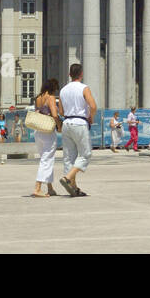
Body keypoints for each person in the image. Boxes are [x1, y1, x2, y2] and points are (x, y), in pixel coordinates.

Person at [58, 63, 97, 197]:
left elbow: (61, 112)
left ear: (69, 75)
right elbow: (93, 106)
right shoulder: (84, 88)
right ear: (81, 74)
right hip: (79, 122)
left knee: (69, 157)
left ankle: (73, 187)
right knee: (85, 154)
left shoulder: (63, 90)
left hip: (66, 123)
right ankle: (68, 178)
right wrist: (90, 117)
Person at [31, 78, 63, 197]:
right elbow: (54, 114)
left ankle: (50, 187)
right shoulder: (50, 97)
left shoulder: (38, 97)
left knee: (45, 159)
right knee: (47, 159)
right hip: (48, 131)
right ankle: (37, 187)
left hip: (38, 131)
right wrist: (59, 126)